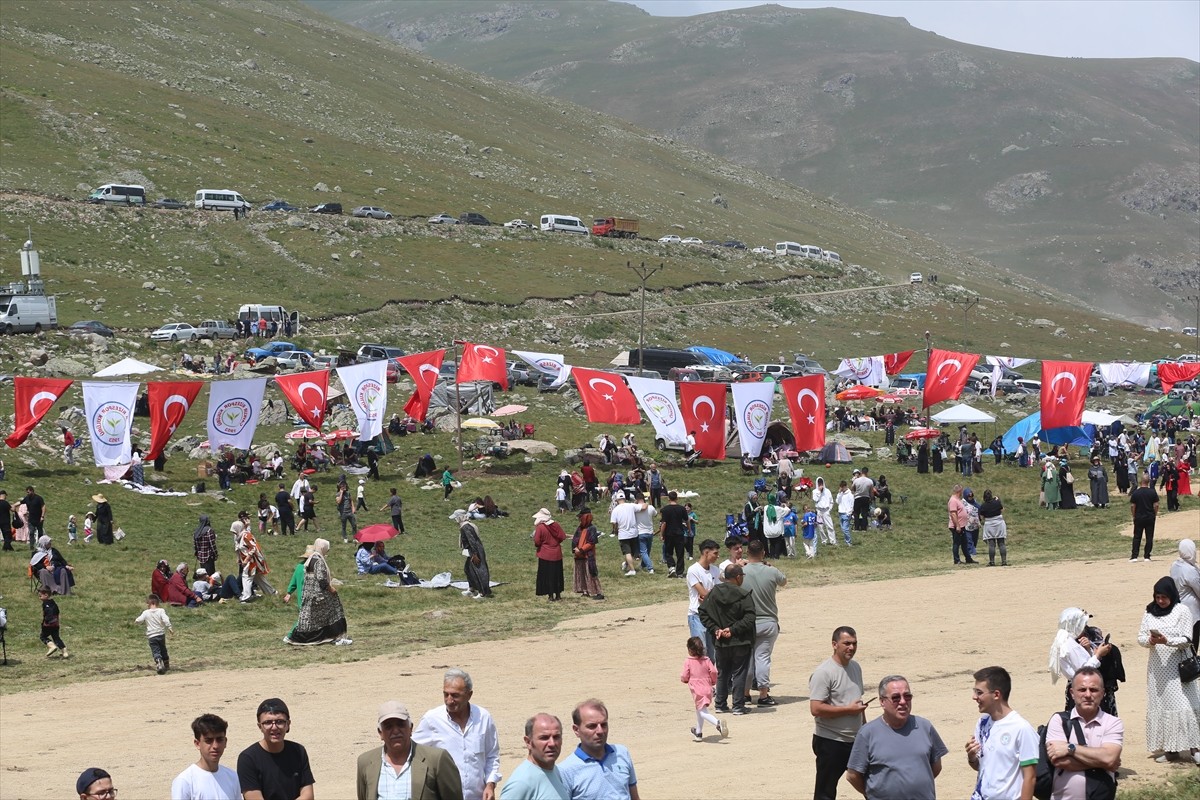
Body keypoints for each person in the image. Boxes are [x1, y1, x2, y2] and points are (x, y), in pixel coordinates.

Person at [845, 675, 948, 800]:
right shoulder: (867, 733)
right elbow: (852, 775)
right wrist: (873, 794)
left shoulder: (925, 726)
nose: (903, 702)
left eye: (907, 696)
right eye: (896, 698)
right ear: (882, 702)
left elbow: (935, 767)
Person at [1137, 576, 1200, 764]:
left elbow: (1187, 639)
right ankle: (1171, 750)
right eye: (1157, 597)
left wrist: (1168, 641)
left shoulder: (1182, 611)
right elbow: (1140, 637)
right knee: (1163, 707)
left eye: (1164, 597)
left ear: (1171, 595)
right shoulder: (1149, 612)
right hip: (1157, 671)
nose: (1160, 601)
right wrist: (1150, 641)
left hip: (1178, 670)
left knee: (1184, 706)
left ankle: (1194, 748)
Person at [413, 668, 502, 800]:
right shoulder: (432, 720)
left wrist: (490, 785)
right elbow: (413, 753)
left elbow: (491, 755)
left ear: (469, 695)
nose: (449, 700)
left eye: (455, 695)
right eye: (446, 694)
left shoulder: (483, 718)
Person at [1044, 667, 1123, 800]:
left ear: (1103, 693)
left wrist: (1070, 748)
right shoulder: (1059, 720)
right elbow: (1060, 761)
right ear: (1072, 693)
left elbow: (1109, 758)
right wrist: (1103, 763)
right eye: (1082, 689)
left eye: (1093, 690)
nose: (1087, 695)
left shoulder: (1113, 722)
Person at [357, 700, 463, 800]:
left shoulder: (436, 760)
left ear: (411, 728)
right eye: (388, 727)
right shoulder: (366, 763)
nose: (395, 731)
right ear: (380, 733)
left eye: (400, 724)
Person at [810, 626, 867, 800]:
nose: (851, 647)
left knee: (872, 782)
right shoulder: (823, 672)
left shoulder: (855, 667)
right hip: (831, 741)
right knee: (825, 792)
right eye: (847, 643)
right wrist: (848, 710)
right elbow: (816, 708)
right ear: (835, 644)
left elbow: (858, 703)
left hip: (856, 740)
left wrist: (866, 730)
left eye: (854, 643)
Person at [965, 666, 1038, 800]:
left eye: (979, 692)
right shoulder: (982, 723)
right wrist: (972, 757)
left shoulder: (1021, 728)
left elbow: (1030, 777)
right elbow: (980, 767)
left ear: (996, 694)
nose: (974, 697)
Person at [697, 563, 756, 716]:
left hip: (720, 641)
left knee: (723, 672)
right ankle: (737, 706)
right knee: (739, 672)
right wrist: (733, 629)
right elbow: (750, 617)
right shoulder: (743, 595)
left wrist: (715, 629)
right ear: (737, 577)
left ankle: (721, 704)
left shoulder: (713, 594)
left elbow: (702, 612)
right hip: (740, 641)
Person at [558, 699, 640, 800]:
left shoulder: (622, 753)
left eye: (604, 725)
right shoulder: (565, 771)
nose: (600, 731)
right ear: (576, 730)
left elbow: (634, 796)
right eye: (592, 726)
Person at [237, 698, 316, 800]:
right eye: (268, 722)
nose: (274, 727)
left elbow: (308, 795)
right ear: (259, 726)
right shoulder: (248, 758)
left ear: (288, 724)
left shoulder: (298, 751)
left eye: (280, 722)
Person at [742, 539, 787, 707]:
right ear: (763, 553)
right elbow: (783, 581)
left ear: (747, 553)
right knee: (762, 658)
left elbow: (725, 578)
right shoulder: (771, 571)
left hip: (746, 622)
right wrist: (768, 565)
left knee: (747, 659)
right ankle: (763, 694)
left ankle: (745, 694)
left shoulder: (741, 571)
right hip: (768, 621)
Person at [286, 538, 351, 645]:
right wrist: (331, 589)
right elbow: (321, 579)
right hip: (319, 595)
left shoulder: (310, 560)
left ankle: (317, 637)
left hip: (309, 594)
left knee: (313, 619)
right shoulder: (318, 561)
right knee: (334, 611)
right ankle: (337, 637)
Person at [1048, 607, 1114, 711]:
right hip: (1083, 691)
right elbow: (1084, 671)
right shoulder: (1069, 644)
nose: (1084, 628)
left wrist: (1089, 650)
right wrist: (1098, 655)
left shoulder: (1064, 640)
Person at [172, 713, 241, 800]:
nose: (215, 746)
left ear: (225, 742)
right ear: (197, 744)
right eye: (208, 740)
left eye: (219, 739)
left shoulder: (232, 777)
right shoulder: (185, 781)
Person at [501, 714, 569, 800]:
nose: (552, 743)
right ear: (528, 742)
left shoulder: (554, 770)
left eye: (556, 737)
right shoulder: (521, 783)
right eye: (544, 738)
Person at [681, 635, 727, 742]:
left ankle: (718, 723)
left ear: (690, 650)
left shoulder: (688, 661)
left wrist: (685, 680)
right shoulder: (706, 660)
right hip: (708, 688)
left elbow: (684, 675)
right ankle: (698, 732)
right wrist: (713, 681)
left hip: (697, 690)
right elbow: (714, 671)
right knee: (699, 709)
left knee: (702, 712)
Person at [686, 539, 721, 661]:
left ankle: (710, 679)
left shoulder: (715, 570)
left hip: (712, 616)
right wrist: (711, 595)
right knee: (700, 650)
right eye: (715, 553)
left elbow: (718, 592)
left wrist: (709, 596)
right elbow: (703, 593)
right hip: (697, 615)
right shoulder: (693, 570)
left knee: (713, 653)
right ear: (706, 552)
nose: (717, 556)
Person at [454, 510, 493, 599]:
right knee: (468, 569)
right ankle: (472, 588)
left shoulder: (466, 527)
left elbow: (472, 540)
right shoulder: (467, 525)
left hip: (475, 550)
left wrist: (475, 554)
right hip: (472, 550)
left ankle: (482, 592)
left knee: (479, 571)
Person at [1171, 539, 1200, 651]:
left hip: (1179, 607)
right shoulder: (1190, 570)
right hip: (1193, 612)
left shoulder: (1175, 565)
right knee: (1193, 644)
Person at [532, 507, 566, 602]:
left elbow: (537, 542)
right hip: (557, 554)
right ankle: (558, 595)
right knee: (557, 574)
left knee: (547, 575)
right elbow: (563, 536)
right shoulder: (556, 525)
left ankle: (550, 596)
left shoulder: (540, 527)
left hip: (545, 555)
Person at [571, 507, 604, 601]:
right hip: (579, 555)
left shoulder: (592, 528)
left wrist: (581, 550)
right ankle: (585, 591)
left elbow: (591, 542)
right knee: (582, 573)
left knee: (591, 573)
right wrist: (575, 549)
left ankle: (598, 592)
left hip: (588, 555)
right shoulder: (579, 528)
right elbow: (575, 540)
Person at [134, 593, 172, 674]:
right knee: (163, 649)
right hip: (161, 634)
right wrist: (169, 627)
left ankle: (158, 662)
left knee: (155, 650)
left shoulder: (146, 612)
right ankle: (166, 664)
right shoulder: (161, 611)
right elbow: (166, 619)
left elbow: (140, 619)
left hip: (152, 636)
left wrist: (136, 621)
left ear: (151, 603)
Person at [609, 492, 642, 577]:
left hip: (623, 534)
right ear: (624, 498)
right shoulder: (631, 505)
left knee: (627, 552)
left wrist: (615, 530)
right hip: (634, 533)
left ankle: (632, 570)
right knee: (631, 553)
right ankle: (626, 564)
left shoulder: (615, 510)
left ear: (616, 500)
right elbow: (643, 506)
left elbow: (614, 523)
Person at [1129, 474, 1159, 562]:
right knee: (1149, 537)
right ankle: (1147, 556)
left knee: (1137, 536)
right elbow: (1156, 505)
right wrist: (1154, 514)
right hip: (1150, 517)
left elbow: (1132, 506)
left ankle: (1134, 556)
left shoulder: (1136, 492)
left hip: (1139, 517)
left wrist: (1134, 515)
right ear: (1148, 481)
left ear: (1141, 481)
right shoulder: (1152, 492)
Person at [659, 490, 690, 577]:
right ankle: (680, 572)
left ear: (668, 498)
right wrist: (689, 529)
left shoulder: (665, 509)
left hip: (668, 533)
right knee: (680, 553)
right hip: (679, 533)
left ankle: (671, 567)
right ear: (677, 498)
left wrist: (661, 534)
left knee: (668, 552)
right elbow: (687, 520)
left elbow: (664, 523)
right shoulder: (681, 509)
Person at [978, 489, 1008, 567]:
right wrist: (998, 500)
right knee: (1001, 543)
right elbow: (1002, 510)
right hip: (999, 523)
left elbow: (981, 517)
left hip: (989, 524)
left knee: (991, 544)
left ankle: (992, 562)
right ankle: (1004, 561)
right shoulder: (997, 502)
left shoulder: (983, 506)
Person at [948, 484, 977, 565]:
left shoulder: (958, 499)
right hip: (956, 526)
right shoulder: (953, 500)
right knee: (956, 543)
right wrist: (957, 525)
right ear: (959, 491)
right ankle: (956, 560)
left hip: (962, 525)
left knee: (964, 542)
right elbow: (953, 514)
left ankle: (968, 558)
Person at [39, 585, 68, 658]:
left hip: (48, 625)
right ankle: (64, 652)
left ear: (46, 595)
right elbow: (57, 611)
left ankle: (52, 646)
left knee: (43, 636)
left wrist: (46, 622)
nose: (39, 597)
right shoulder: (53, 603)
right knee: (56, 638)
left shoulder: (45, 604)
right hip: (56, 624)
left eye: (40, 596)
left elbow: (48, 614)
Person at [835, 480, 853, 546]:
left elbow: (851, 504)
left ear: (845, 486)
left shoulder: (850, 494)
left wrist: (849, 513)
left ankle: (849, 542)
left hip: (846, 513)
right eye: (841, 487)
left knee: (845, 529)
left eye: (843, 487)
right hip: (840, 512)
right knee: (843, 529)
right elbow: (837, 501)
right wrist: (839, 494)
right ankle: (847, 541)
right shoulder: (840, 494)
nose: (842, 489)